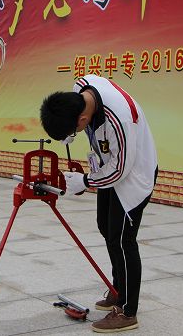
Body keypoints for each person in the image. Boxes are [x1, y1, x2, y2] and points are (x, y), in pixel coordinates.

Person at [40, 74, 158, 333]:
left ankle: (127, 311)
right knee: (105, 226)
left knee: (123, 239)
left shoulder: (119, 120)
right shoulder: (81, 88)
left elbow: (120, 170)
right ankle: (119, 290)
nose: (75, 134)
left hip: (134, 175)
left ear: (82, 119)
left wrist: (84, 180)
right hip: (109, 167)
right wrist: (69, 136)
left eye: (74, 130)